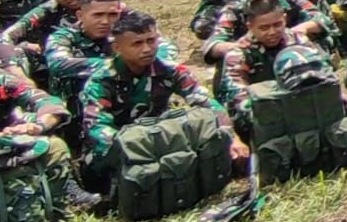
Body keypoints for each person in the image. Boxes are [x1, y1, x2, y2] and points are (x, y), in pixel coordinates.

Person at [78, 11, 247, 193]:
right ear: (117, 47)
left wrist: (232, 137)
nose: (147, 49)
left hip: (159, 139)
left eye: (151, 40)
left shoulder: (170, 70)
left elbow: (207, 103)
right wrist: (138, 149)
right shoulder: (101, 81)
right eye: (137, 43)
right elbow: (97, 129)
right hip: (119, 148)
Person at [46, 0, 177, 112]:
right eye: (97, 15)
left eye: (113, 15)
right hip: (77, 109)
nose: (105, 21)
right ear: (80, 16)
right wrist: (121, 65)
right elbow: (58, 64)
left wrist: (148, 61)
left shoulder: (125, 34)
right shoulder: (64, 37)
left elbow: (166, 46)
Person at [0, 65, 101, 209]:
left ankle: (66, 196)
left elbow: (46, 101)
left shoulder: (1, 81)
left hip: (4, 142)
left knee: (54, 144)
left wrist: (38, 126)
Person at [204, 0, 335, 64]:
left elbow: (322, 19)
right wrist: (239, 48)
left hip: (291, 54)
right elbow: (214, 43)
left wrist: (298, 31)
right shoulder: (235, 8)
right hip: (253, 60)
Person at [216, 0, 308, 128]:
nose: (272, 32)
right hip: (261, 111)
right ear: (250, 26)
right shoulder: (239, 52)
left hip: (299, 102)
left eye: (277, 25)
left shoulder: (299, 40)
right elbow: (237, 93)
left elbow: (323, 72)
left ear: (285, 19)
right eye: (264, 28)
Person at [0, 0, 88, 84]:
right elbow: (6, 36)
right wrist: (16, 69)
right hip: (57, 66)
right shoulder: (48, 9)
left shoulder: (106, 6)